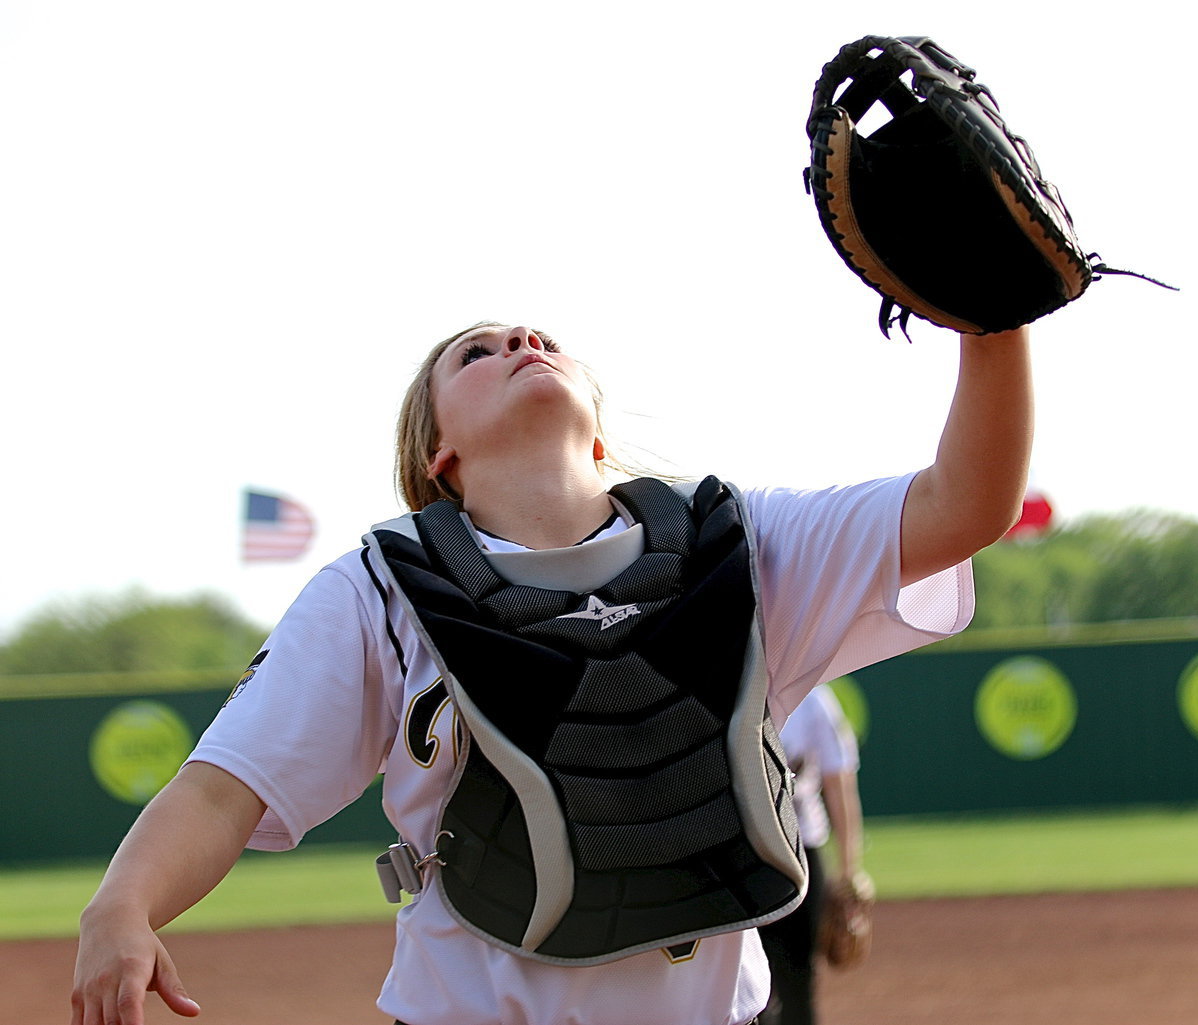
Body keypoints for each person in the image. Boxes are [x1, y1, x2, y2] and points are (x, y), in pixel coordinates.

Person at [72, 321, 1033, 1025]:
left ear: (602, 433)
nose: (521, 340)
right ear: (438, 453)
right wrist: (123, 904)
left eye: (541, 338)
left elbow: (966, 505)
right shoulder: (378, 588)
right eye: (475, 352)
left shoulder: (733, 538)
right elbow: (224, 785)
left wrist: (994, 325)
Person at [757, 683, 868, 1025]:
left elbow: (839, 782)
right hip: (746, 856)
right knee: (748, 984)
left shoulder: (813, 699)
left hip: (802, 851)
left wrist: (851, 870)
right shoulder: (728, 687)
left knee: (798, 975)